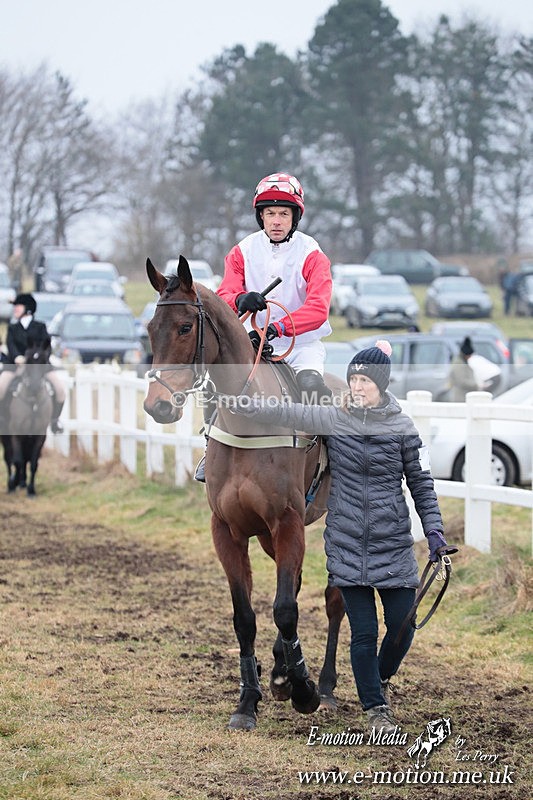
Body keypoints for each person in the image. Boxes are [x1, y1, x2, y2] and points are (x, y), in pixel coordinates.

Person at [230, 340, 453, 734]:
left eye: (365, 380)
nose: (357, 386)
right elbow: (290, 412)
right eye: (353, 379)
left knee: (404, 625)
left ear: (381, 384)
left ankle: (378, 678)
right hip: (348, 544)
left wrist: (434, 532)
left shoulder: (403, 428)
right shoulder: (335, 418)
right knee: (364, 633)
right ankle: (376, 709)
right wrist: (248, 405)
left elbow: (421, 483)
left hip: (392, 542)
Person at [194, 172, 333, 481]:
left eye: (283, 213)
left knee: (313, 389)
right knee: (215, 387)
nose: (276, 221)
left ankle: (334, 461)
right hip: (253, 342)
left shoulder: (312, 254)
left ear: (295, 217)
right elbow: (224, 295)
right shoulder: (242, 250)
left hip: (301, 346)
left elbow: (318, 309)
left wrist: (278, 327)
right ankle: (210, 451)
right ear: (261, 216)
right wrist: (240, 299)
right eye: (270, 213)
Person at [0, 293, 65, 433]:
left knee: (60, 389)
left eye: (18, 306)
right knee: (1, 387)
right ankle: (2, 419)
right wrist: (17, 357)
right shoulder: (12, 328)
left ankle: (55, 421)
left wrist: (39, 358)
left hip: (39, 366)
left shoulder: (40, 327)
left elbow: (46, 347)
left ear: (28, 309)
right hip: (15, 366)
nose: (15, 309)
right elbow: (11, 345)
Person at [448, 336, 501, 401]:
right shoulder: (459, 365)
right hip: (461, 397)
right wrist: (478, 385)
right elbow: (462, 382)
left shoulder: (465, 362)